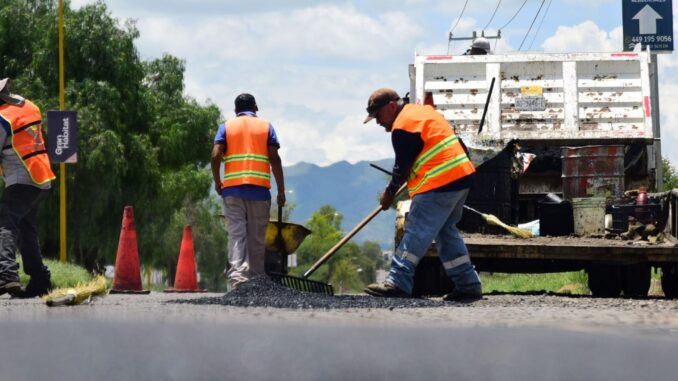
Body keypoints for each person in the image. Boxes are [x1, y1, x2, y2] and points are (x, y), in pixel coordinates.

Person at [362, 88, 482, 302]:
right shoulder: (423, 113)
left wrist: (388, 195)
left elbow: (401, 168)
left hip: (440, 182)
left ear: (391, 106)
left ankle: (398, 281)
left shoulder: (403, 126)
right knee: (446, 233)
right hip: (461, 177)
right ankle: (468, 285)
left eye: (378, 116)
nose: (378, 123)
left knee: (416, 230)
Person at [211, 93, 285, 289]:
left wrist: (218, 181)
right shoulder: (266, 126)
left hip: (233, 191)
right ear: (255, 108)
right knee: (256, 238)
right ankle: (255, 282)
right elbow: (274, 158)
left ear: (236, 110)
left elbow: (216, 154)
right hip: (260, 192)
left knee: (236, 235)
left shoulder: (226, 127)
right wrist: (282, 191)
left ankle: (238, 281)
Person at [0, 78, 55, 298]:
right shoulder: (29, 106)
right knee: (25, 228)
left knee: (5, 223)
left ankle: (6, 275)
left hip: (22, 179)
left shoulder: (2, 118)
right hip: (41, 178)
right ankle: (40, 280)